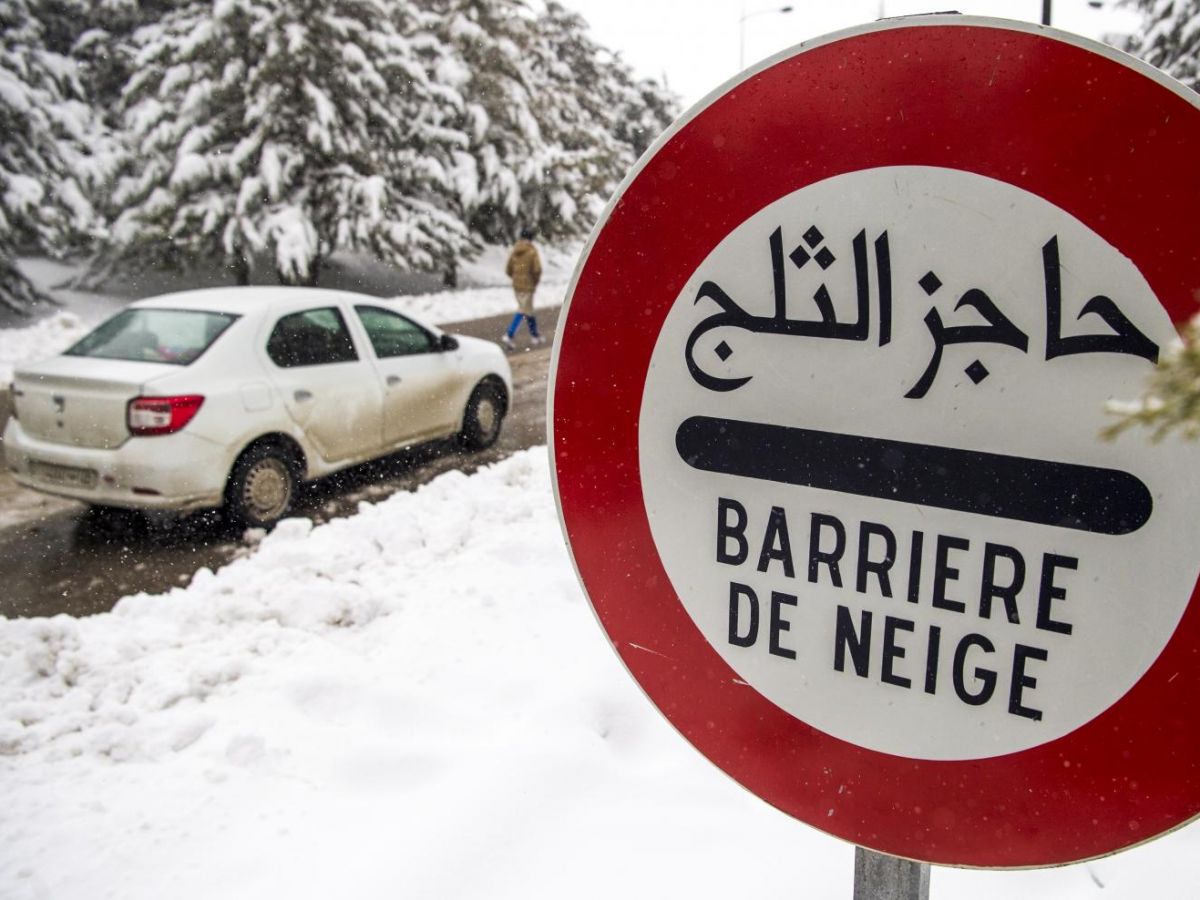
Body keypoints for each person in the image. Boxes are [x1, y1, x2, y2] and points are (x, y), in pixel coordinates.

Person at [502, 227, 543, 349]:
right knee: (523, 310)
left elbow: (508, 269)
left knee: (528, 310)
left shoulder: (515, 250)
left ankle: (535, 335)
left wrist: (516, 278)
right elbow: (537, 269)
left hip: (517, 285)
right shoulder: (532, 251)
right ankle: (509, 334)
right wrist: (534, 281)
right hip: (528, 285)